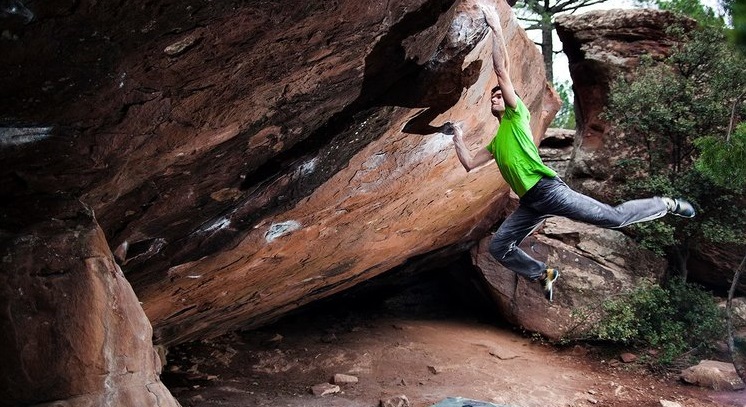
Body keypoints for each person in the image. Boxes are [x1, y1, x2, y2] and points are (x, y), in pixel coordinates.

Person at [447, 4, 695, 302]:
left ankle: (664, 204)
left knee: (612, 218)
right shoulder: (497, 142)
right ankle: (542, 273)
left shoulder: (517, 115)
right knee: (500, 247)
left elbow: (502, 71)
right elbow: (469, 163)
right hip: (531, 203)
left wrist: (496, 29)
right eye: (493, 97)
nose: (497, 96)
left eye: (500, 93)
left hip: (549, 191)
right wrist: (458, 135)